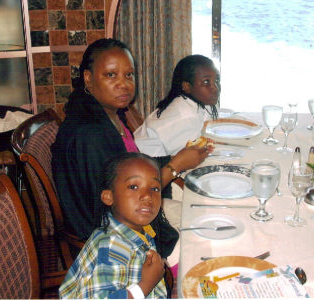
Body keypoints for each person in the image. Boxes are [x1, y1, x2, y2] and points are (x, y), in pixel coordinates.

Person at [51, 39, 209, 259]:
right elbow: (121, 202)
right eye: (111, 75)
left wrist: (176, 158)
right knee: (206, 244)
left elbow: (128, 168)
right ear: (88, 78)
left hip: (133, 215)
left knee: (207, 213)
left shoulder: (110, 113)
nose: (123, 84)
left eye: (129, 75)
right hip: (117, 240)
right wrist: (175, 166)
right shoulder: (90, 134)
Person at [59, 152, 168, 299]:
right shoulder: (113, 246)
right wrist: (146, 284)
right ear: (108, 197)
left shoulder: (137, 230)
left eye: (155, 188)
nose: (148, 196)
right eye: (134, 186)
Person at [134, 54, 220, 156]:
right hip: (148, 163)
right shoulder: (187, 117)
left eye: (217, 80)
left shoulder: (186, 101)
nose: (215, 88)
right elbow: (186, 159)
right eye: (206, 82)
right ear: (187, 86)